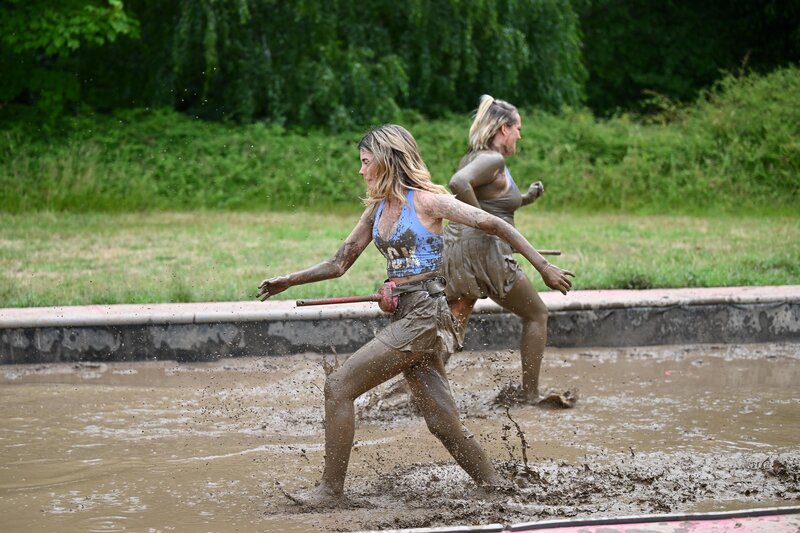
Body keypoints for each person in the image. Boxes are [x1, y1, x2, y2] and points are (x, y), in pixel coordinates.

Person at [257, 124, 574, 507]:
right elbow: (339, 263)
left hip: (423, 319)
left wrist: (542, 267)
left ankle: (330, 492)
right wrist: (288, 281)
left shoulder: (426, 201)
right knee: (444, 425)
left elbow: (495, 223)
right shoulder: (376, 209)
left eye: (365, 162)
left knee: (338, 387)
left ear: (387, 159)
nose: (361, 171)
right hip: (408, 317)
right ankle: (497, 488)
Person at [442, 95, 577, 407]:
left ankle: (417, 391)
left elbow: (489, 199)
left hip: (459, 251)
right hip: (485, 253)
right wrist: (486, 223)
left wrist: (526, 197)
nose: (520, 135)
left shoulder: (477, 157)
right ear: (504, 129)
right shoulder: (492, 160)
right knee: (537, 314)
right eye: (518, 128)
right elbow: (458, 183)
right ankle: (530, 395)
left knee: (454, 326)